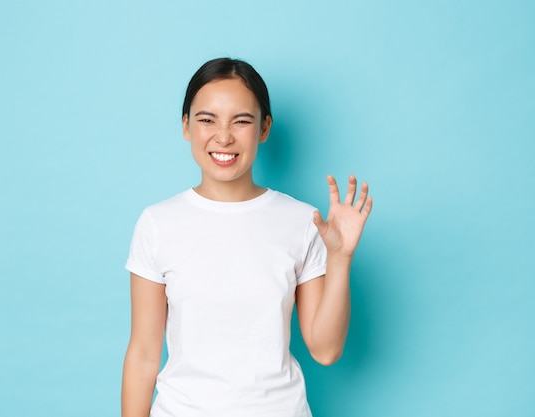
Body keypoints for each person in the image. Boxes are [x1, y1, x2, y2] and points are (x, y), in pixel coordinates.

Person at [121, 57, 372, 417]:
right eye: (207, 120)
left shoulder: (303, 221)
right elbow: (143, 354)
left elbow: (325, 350)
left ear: (264, 128)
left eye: (241, 121)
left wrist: (341, 257)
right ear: (186, 126)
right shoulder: (157, 223)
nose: (223, 136)